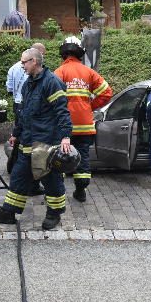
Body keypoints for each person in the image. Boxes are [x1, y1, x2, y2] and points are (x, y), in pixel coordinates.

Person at [0, 47, 73, 230]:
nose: (22, 65)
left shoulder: (52, 82)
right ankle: (9, 212)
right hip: (27, 140)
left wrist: (65, 136)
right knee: (18, 176)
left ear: (34, 61)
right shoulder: (28, 84)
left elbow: (62, 111)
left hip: (45, 142)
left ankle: (54, 213)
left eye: (24, 62)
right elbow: (23, 113)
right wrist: (15, 134)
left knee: (50, 179)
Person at [53, 36, 112, 202]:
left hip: (64, 127)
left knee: (60, 157)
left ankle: (58, 192)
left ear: (63, 53)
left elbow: (50, 99)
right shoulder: (89, 72)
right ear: (80, 53)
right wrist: (89, 106)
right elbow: (106, 93)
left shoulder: (59, 72)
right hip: (85, 126)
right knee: (83, 157)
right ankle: (81, 191)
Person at [6, 42, 46, 125]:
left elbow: (9, 88)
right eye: (42, 55)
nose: (43, 58)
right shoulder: (34, 70)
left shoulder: (12, 68)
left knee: (19, 128)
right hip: (31, 105)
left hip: (17, 103)